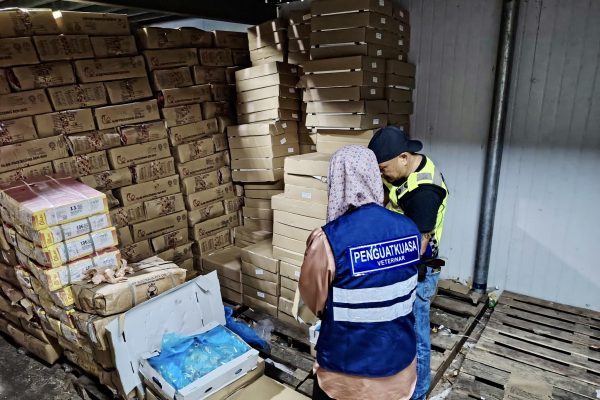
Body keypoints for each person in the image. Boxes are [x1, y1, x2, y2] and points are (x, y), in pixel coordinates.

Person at [299, 145, 422, 400]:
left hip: (346, 376)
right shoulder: (409, 229)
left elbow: (314, 302)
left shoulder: (329, 239)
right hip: (399, 370)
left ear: (337, 182)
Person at [368, 127, 449, 400]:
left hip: (419, 270)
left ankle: (420, 392)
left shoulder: (424, 192)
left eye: (383, 169)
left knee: (416, 335)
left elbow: (418, 247)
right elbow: (390, 195)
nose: (382, 175)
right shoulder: (404, 170)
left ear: (404, 157)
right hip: (405, 264)